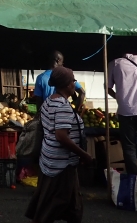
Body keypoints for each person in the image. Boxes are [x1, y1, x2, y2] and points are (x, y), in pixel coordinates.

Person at [26, 66, 91, 223]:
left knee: (72, 203)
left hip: (51, 159)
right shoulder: (62, 106)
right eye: (73, 80)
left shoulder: (49, 101)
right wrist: (84, 154)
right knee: (53, 205)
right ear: (67, 84)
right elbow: (61, 137)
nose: (74, 83)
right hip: (61, 163)